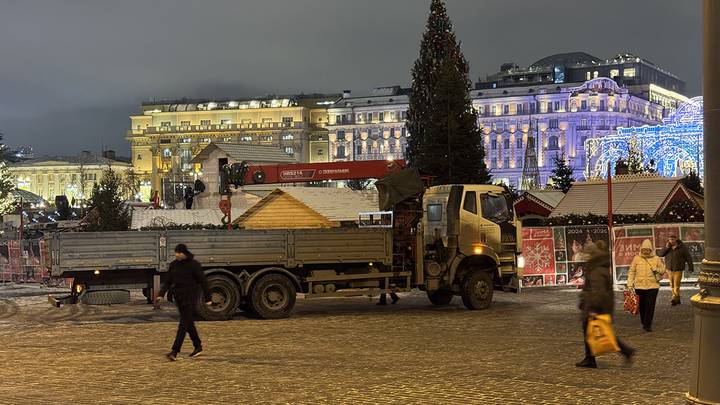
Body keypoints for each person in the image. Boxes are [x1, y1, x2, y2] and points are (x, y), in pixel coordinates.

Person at [577, 240, 635, 368]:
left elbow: (597, 290)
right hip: (599, 305)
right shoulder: (598, 267)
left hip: (596, 306)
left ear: (592, 255)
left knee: (594, 331)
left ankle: (591, 359)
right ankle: (591, 358)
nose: (585, 256)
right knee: (598, 331)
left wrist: (593, 307)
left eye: (587, 254)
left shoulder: (596, 270)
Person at [158, 244, 212, 361]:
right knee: (188, 323)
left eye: (179, 253)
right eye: (176, 252)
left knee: (183, 324)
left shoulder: (194, 265)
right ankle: (198, 346)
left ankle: (175, 351)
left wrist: (208, 297)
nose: (176, 255)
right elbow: (168, 281)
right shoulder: (174, 265)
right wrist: (161, 294)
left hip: (190, 297)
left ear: (184, 253)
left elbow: (203, 281)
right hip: (179, 297)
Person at [626, 239, 666, 332]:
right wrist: (629, 284)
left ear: (651, 250)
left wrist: (655, 268)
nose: (645, 251)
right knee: (642, 306)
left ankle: (648, 324)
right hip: (639, 286)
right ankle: (644, 321)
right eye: (644, 249)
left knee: (650, 306)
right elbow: (632, 271)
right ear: (641, 249)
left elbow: (663, 270)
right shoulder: (636, 258)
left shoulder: (656, 258)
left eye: (647, 250)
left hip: (653, 287)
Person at [658, 235, 694, 306]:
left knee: (676, 285)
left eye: (673, 239)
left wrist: (691, 267)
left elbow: (688, 257)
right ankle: (677, 299)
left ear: (676, 239)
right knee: (672, 285)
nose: (671, 241)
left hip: (678, 269)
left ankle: (674, 298)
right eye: (670, 240)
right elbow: (660, 254)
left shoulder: (682, 247)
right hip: (669, 269)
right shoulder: (667, 247)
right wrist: (666, 247)